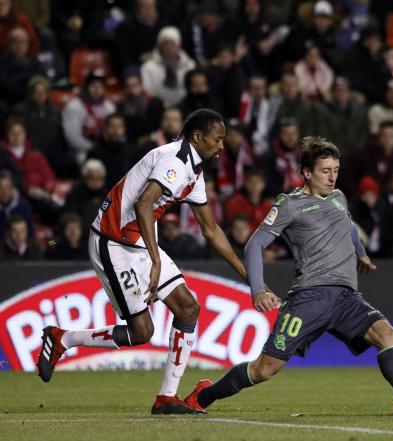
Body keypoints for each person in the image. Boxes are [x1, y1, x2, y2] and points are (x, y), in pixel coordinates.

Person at [182, 136, 393, 415]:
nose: (332, 177)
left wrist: (360, 253)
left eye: (336, 170)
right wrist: (258, 289)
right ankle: (203, 396)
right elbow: (255, 244)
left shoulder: (339, 198)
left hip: (346, 298)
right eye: (325, 171)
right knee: (264, 369)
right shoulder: (289, 204)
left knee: (388, 334)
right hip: (310, 299)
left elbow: (350, 227)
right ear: (307, 172)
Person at [36, 109, 249, 415]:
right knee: (142, 332)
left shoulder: (195, 172)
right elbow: (143, 202)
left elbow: (211, 229)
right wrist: (155, 259)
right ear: (197, 136)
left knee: (188, 308)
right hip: (113, 242)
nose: (221, 146)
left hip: (138, 243)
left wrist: (247, 275)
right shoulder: (173, 160)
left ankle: (167, 397)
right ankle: (62, 338)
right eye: (217, 139)